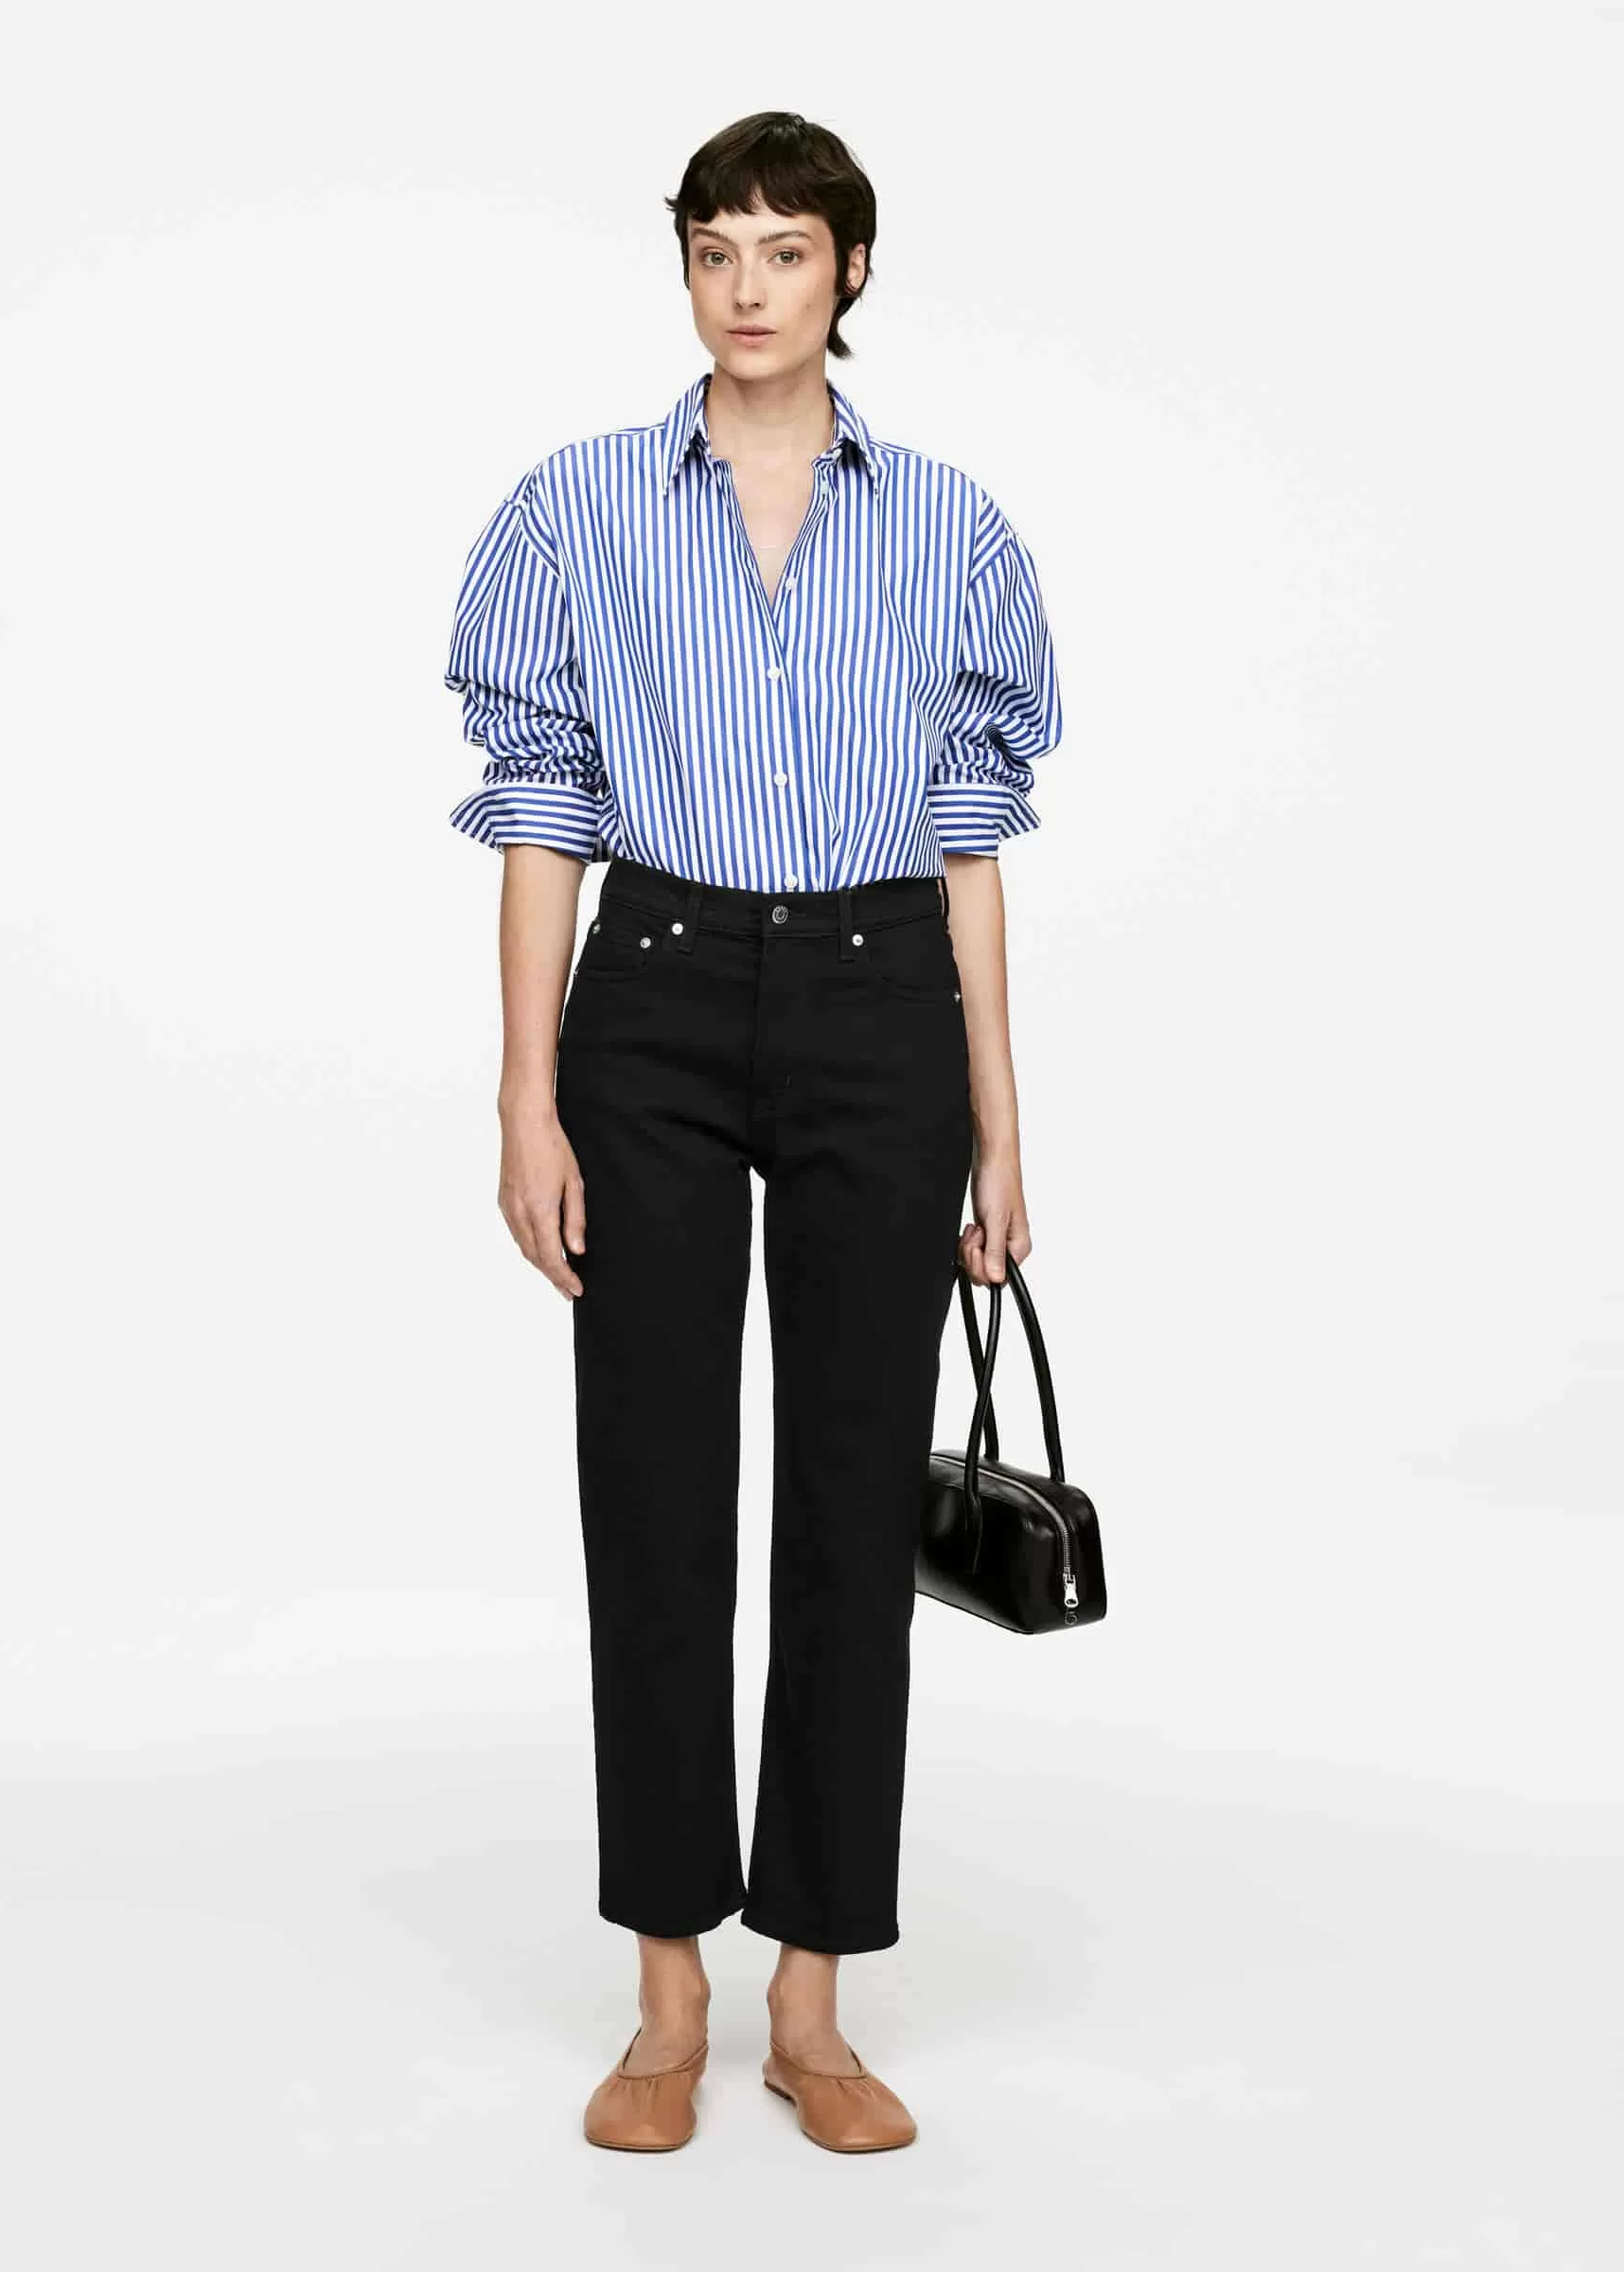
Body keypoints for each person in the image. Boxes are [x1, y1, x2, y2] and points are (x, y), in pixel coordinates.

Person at [442, 111, 1061, 2154]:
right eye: (716, 248)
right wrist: (527, 1093)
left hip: (886, 1003)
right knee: (654, 1487)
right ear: (687, 271)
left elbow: (971, 848)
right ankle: (665, 1993)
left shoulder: (949, 526)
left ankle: (810, 1996)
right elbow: (543, 813)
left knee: (852, 1500)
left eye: (786, 250)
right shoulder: (577, 506)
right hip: (659, 1000)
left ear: (850, 273)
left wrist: (1001, 1129)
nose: (747, 285)